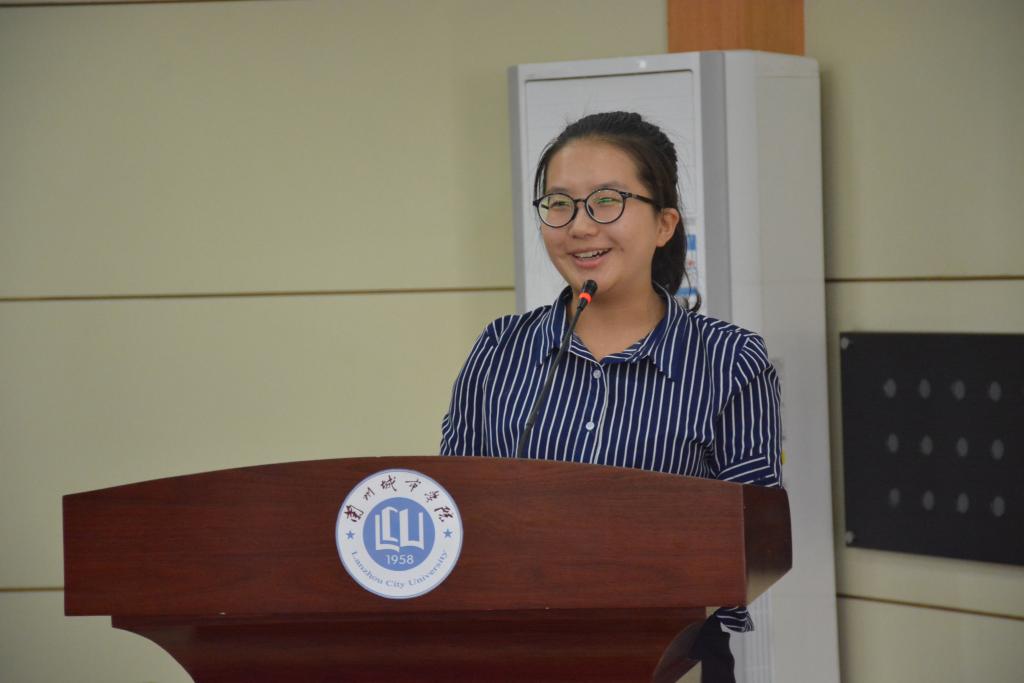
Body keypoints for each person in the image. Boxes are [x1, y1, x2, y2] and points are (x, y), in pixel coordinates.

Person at [440, 111, 782, 682]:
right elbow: (454, 513)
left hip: (667, 659)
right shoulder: (500, 348)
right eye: (559, 204)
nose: (579, 226)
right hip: (511, 656)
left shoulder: (730, 359)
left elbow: (752, 544)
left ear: (664, 224)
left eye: (606, 201)